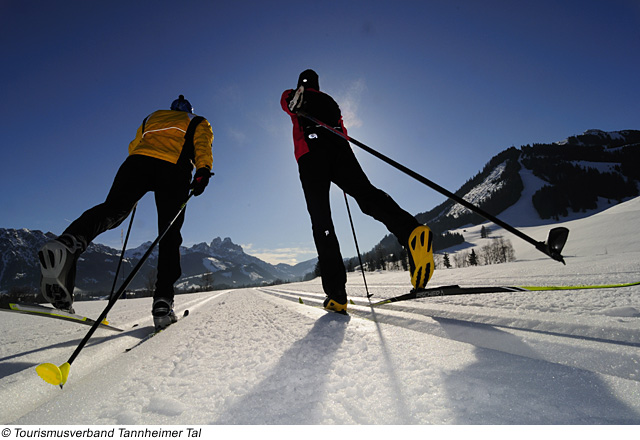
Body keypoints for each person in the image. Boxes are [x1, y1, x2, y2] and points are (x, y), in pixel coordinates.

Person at [38, 95, 213, 330]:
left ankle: (69, 242)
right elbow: (202, 144)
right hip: (174, 169)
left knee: (114, 209)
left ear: (171, 108)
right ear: (188, 110)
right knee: (169, 235)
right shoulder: (198, 120)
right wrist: (203, 170)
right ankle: (163, 303)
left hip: (135, 165)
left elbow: (134, 146)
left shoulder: (152, 117)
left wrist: (136, 184)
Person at [281, 69, 434, 314]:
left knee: (322, 222)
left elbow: (288, 104)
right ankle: (411, 231)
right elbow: (343, 132)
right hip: (341, 150)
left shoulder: (292, 94)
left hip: (310, 155)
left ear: (300, 85)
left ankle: (336, 295)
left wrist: (295, 101)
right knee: (368, 196)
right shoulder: (330, 103)